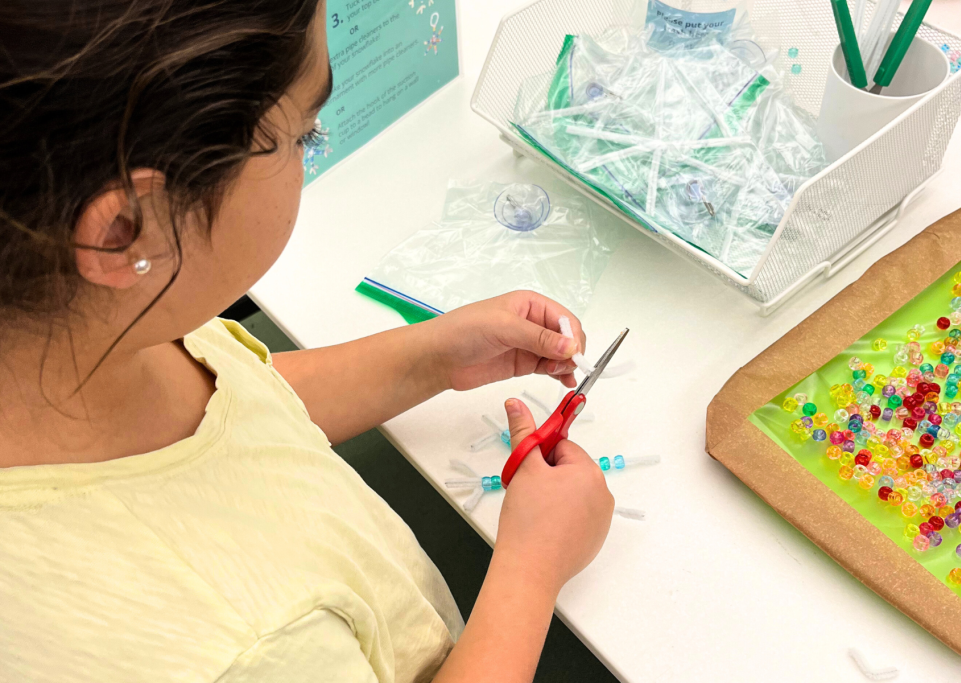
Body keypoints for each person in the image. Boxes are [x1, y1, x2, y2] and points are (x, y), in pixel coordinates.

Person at [0, 2, 615, 681]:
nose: (308, 148)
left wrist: (433, 355)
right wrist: (532, 566)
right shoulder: (248, 646)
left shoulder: (83, 323)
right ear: (126, 230)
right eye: (303, 134)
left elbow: (238, 406)